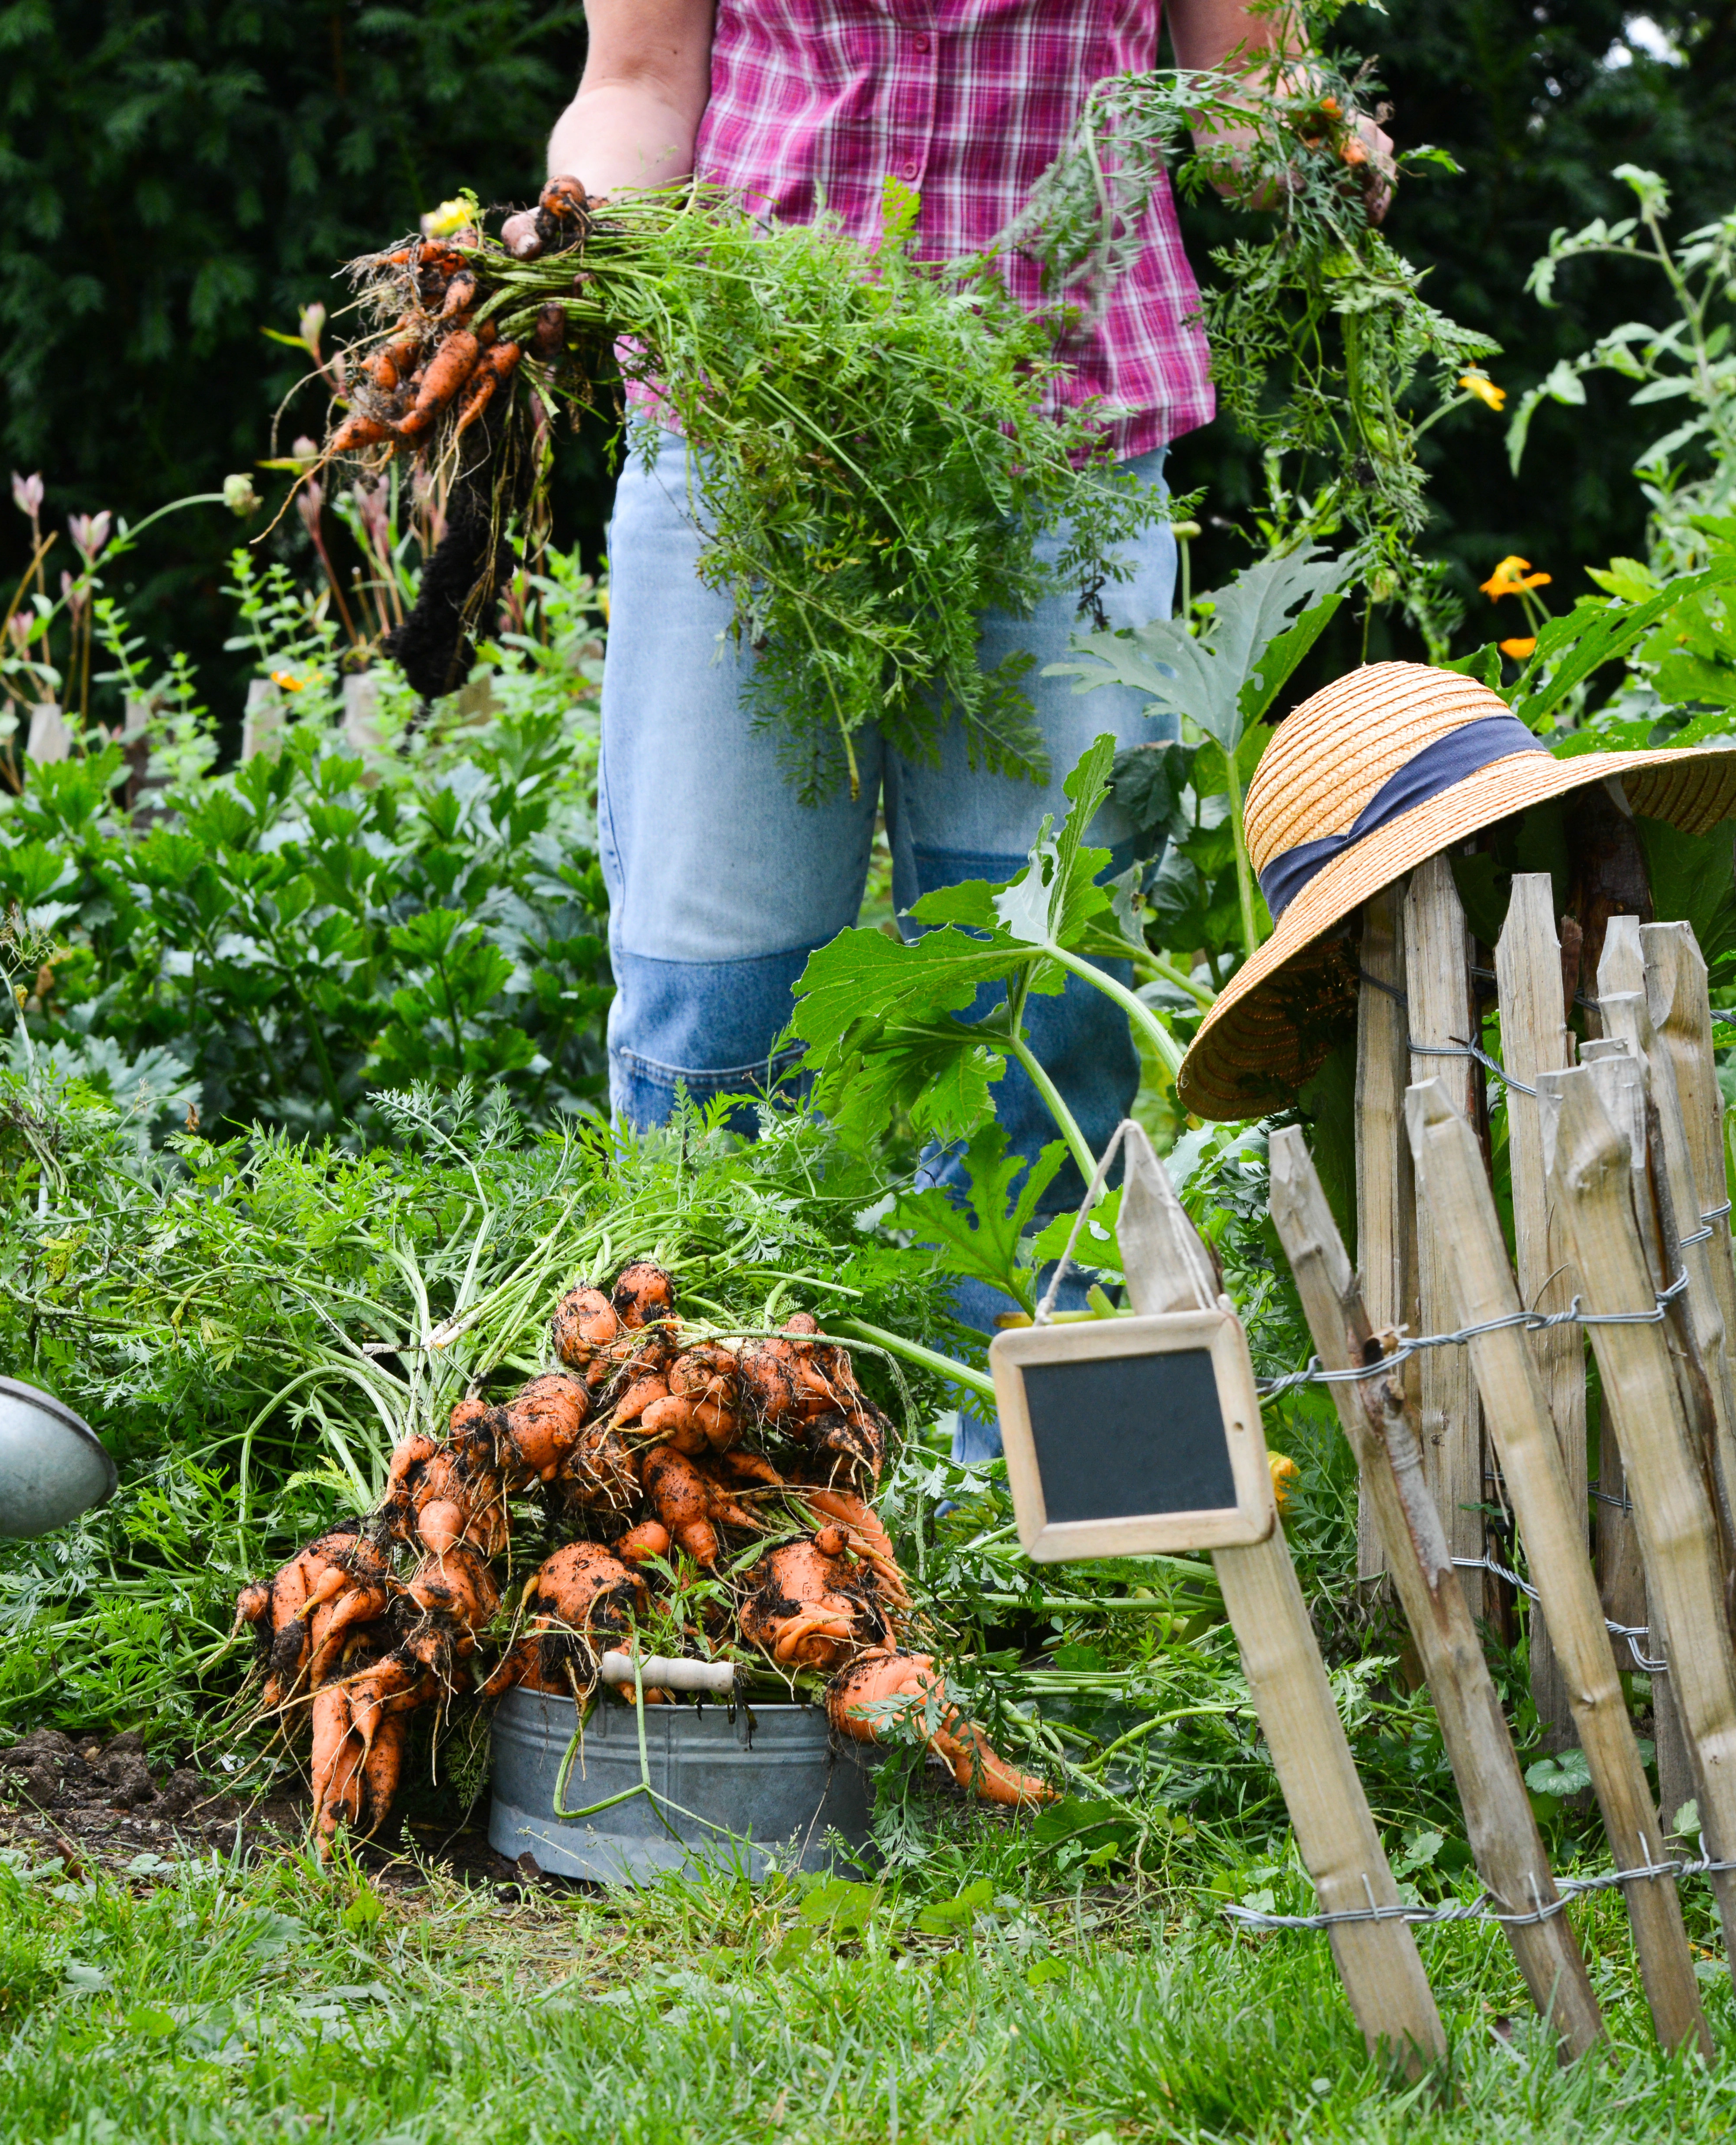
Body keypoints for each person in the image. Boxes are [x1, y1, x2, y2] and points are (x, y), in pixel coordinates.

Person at [521, 0, 1388, 1435]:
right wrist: (572, 237)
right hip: (751, 439)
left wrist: (1315, 141)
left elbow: (1239, 93)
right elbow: (637, 85)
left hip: (1068, 450)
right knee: (717, 1006)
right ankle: (719, 1501)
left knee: (1049, 1005)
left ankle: (1038, 1526)